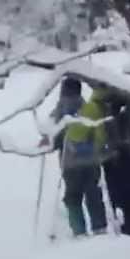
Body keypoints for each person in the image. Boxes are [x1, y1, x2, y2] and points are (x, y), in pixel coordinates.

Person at [75, 86, 130, 237]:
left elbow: (77, 134)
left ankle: (123, 234)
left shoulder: (94, 106)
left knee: (116, 197)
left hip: (111, 158)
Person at [44, 77, 107, 237]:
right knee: (93, 194)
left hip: (70, 163)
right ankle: (100, 228)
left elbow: (52, 140)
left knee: (73, 197)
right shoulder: (89, 109)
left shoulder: (58, 112)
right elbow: (100, 133)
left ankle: (79, 231)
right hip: (91, 161)